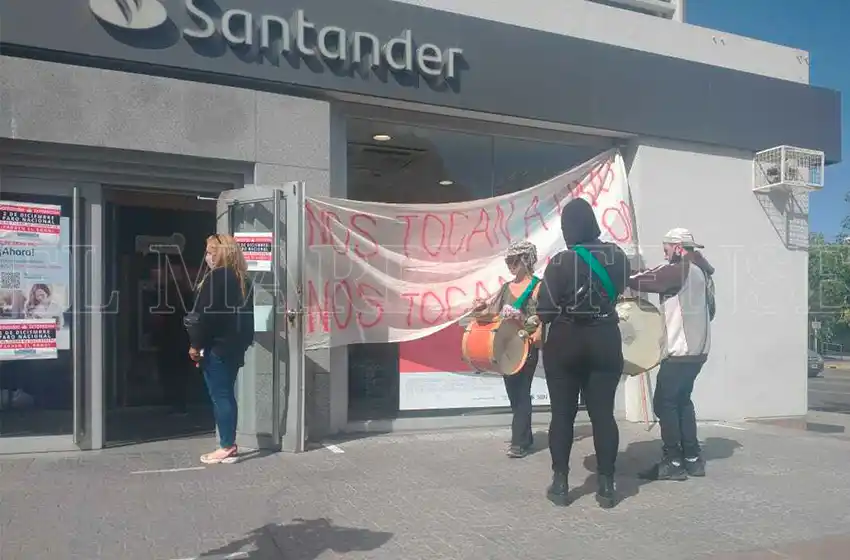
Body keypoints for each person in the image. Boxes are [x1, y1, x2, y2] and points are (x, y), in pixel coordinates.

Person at [536, 197, 631, 509]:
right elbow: (620, 291)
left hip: (566, 341)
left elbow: (546, 312)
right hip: (605, 338)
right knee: (603, 414)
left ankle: (561, 484)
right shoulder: (618, 256)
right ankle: (606, 485)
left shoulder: (561, 262)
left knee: (562, 415)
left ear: (568, 228)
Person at [628, 227, 714, 481]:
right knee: (682, 402)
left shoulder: (681, 269)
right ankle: (692, 459)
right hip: (699, 351)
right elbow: (713, 310)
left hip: (680, 351)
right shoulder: (704, 274)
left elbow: (646, 279)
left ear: (678, 247)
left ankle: (673, 461)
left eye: (666, 247)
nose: (664, 253)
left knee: (664, 403)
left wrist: (618, 273)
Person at [185, 234, 254, 465]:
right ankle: (228, 444)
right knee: (226, 395)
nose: (207, 256)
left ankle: (226, 445)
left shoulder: (217, 278)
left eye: (210, 251)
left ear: (221, 253)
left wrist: (196, 344)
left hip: (216, 347)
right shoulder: (243, 279)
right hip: (233, 348)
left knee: (220, 396)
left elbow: (204, 315)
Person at [472, 241, 544, 459]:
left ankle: (519, 442)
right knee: (514, 393)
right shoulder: (505, 288)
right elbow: (493, 313)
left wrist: (538, 330)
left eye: (513, 261)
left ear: (525, 260)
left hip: (526, 345)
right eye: (507, 261)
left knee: (522, 391)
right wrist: (481, 308)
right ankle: (526, 436)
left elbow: (546, 315)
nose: (509, 265)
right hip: (505, 346)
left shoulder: (539, 286)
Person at [151, 257, 195, 415]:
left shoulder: (173, 297)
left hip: (175, 339)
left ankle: (176, 401)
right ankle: (176, 401)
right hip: (175, 339)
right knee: (176, 372)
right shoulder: (181, 297)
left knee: (175, 371)